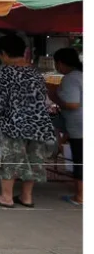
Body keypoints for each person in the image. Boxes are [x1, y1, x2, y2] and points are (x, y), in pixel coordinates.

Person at [0, 35, 57, 209]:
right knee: (33, 160)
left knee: (10, 158)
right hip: (38, 125)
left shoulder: (6, 72)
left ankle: (6, 197)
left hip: (13, 124)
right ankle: (26, 196)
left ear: (4, 53)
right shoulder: (35, 72)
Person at [53, 48, 82, 206]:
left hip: (79, 126)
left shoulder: (71, 78)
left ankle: (80, 196)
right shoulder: (81, 75)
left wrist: (54, 96)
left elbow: (72, 103)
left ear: (61, 63)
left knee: (80, 160)